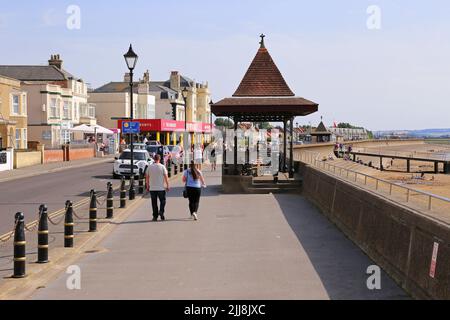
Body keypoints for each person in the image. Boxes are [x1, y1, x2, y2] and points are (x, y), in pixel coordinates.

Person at [146, 154, 170, 221]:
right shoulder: (162, 167)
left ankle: (155, 216)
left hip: (152, 188)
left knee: (154, 203)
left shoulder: (149, 167)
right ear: (159, 159)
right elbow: (166, 177)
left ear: (154, 159)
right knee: (163, 201)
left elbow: (147, 178)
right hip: (161, 188)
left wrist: (147, 186)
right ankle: (161, 211)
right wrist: (168, 185)